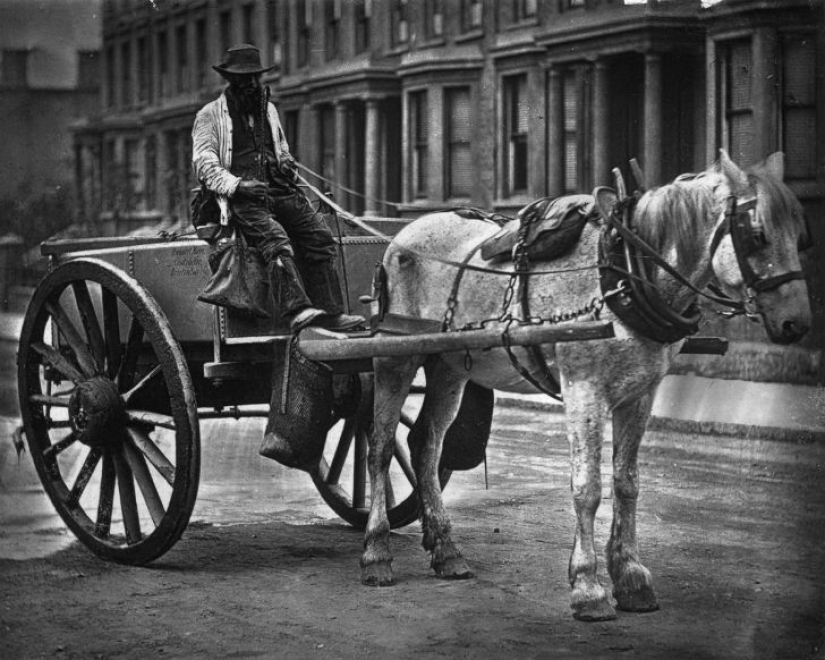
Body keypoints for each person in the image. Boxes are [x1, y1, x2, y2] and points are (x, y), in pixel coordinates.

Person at [192, 43, 365, 332]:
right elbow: (205, 164)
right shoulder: (210, 116)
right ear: (230, 81)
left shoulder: (268, 110)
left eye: (254, 78)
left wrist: (285, 163)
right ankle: (296, 310)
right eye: (242, 79)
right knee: (276, 240)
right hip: (240, 201)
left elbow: (281, 149)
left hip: (279, 191)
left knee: (319, 236)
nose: (250, 84)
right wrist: (239, 185)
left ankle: (331, 314)